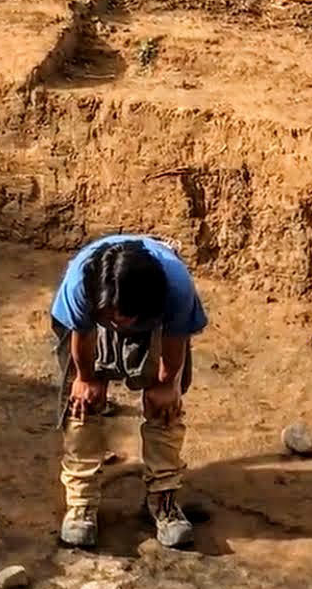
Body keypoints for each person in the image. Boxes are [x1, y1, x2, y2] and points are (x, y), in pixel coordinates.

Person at [50, 234, 209, 550]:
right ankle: (80, 503)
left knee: (166, 404)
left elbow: (174, 342)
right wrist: (86, 378)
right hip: (89, 322)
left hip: (154, 320)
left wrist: (165, 386)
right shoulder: (80, 284)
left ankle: (163, 499)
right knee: (81, 401)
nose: (116, 324)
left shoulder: (176, 289)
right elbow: (82, 333)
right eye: (110, 316)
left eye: (123, 318)